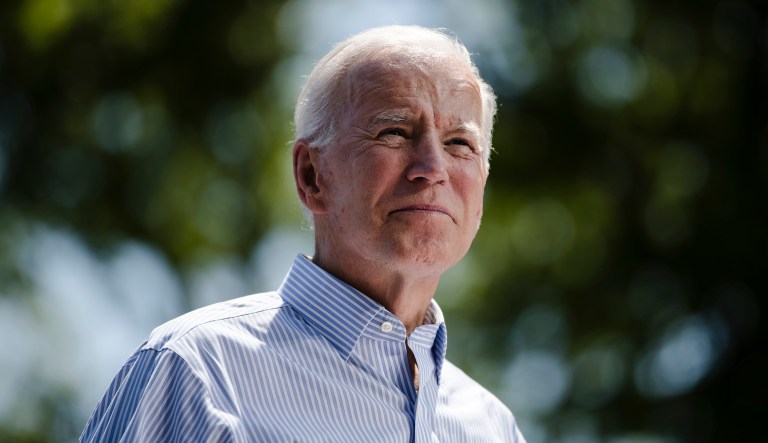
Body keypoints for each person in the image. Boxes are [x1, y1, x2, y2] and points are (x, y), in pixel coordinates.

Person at [81, 25, 526, 442]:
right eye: (394, 132)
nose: (432, 168)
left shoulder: (492, 426)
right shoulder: (197, 372)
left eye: (459, 144)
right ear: (311, 175)